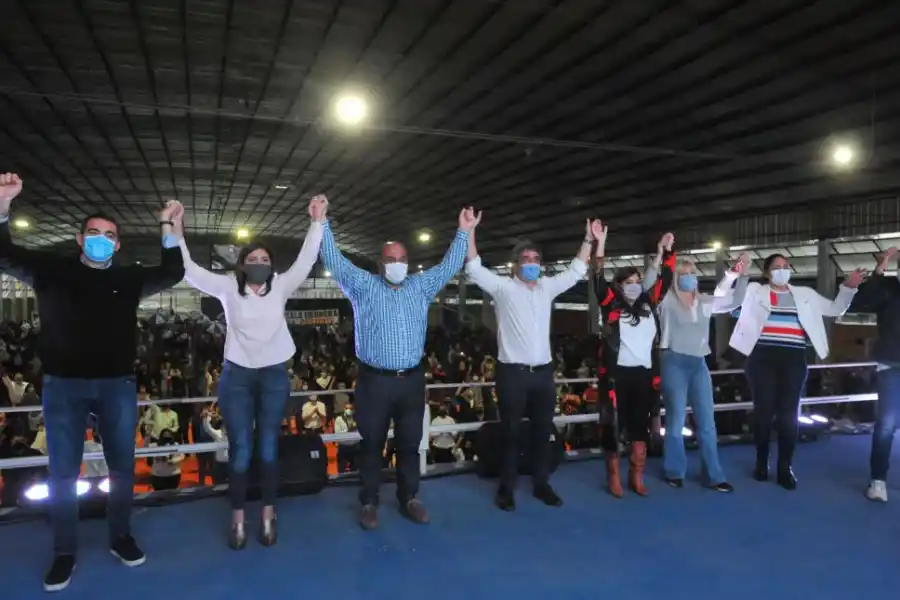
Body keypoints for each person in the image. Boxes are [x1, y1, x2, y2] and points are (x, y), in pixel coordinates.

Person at [0, 173, 185, 592]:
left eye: (109, 235)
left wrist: (169, 227)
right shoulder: (51, 272)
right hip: (63, 386)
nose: (101, 239)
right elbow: (4, 252)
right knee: (62, 472)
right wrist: (4, 206)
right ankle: (65, 551)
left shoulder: (127, 279)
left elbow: (172, 271)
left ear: (117, 245)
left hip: (116, 384)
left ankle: (120, 536)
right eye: (94, 233)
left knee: (122, 468)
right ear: (81, 240)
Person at [176, 194, 325, 549]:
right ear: (242, 265)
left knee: (269, 448)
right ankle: (239, 519)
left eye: (265, 259)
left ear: (272, 266)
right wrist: (176, 232)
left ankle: (269, 515)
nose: (259, 262)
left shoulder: (282, 286)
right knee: (241, 449)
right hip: (237, 376)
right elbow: (190, 271)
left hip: (274, 375)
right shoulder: (229, 288)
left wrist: (317, 222)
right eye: (253, 258)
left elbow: (306, 259)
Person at [320, 205, 475, 530]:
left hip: (412, 381)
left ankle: (410, 497)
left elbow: (448, 266)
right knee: (372, 443)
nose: (396, 264)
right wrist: (321, 222)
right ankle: (369, 501)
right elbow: (334, 261)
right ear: (380, 264)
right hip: (375, 381)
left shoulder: (419, 287)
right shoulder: (364, 286)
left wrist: (463, 231)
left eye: (401, 259)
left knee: (409, 441)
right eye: (390, 259)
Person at [464, 212, 590, 510]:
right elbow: (474, 267)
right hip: (512, 374)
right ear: (515, 266)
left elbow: (576, 270)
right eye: (526, 259)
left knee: (542, 430)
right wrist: (469, 232)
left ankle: (541, 483)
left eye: (535, 259)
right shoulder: (503, 287)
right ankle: (506, 488)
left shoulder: (547, 287)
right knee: (510, 433)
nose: (531, 263)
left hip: (543, 374)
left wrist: (588, 240)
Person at [730, 253, 862, 490]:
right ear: (767, 272)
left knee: (788, 415)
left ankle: (784, 467)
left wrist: (849, 287)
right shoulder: (754, 291)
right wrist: (741, 274)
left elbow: (834, 309)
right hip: (761, 357)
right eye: (776, 267)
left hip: (793, 358)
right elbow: (734, 303)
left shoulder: (805, 295)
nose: (782, 269)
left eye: (785, 266)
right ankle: (762, 461)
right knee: (763, 412)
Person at [592, 220, 673, 498]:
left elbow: (667, 279)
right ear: (619, 285)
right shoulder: (610, 306)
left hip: (645, 376)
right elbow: (597, 277)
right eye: (629, 283)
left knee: (641, 428)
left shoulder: (649, 304)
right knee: (612, 428)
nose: (635, 287)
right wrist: (600, 242)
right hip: (616, 376)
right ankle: (613, 476)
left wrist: (665, 252)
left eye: (638, 282)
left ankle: (636, 474)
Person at [658, 252, 750, 492]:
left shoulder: (706, 301)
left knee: (708, 422)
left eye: (692, 273)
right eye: (683, 274)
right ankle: (674, 471)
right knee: (676, 419)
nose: (689, 278)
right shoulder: (666, 300)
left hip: (699, 364)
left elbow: (734, 299)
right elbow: (656, 281)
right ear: (674, 278)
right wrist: (664, 253)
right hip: (673, 361)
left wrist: (742, 273)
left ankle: (714, 474)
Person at [848, 247, 900, 502]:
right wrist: (881, 267)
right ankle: (878, 480)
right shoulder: (888, 288)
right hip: (891, 363)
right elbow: (862, 302)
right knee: (887, 425)